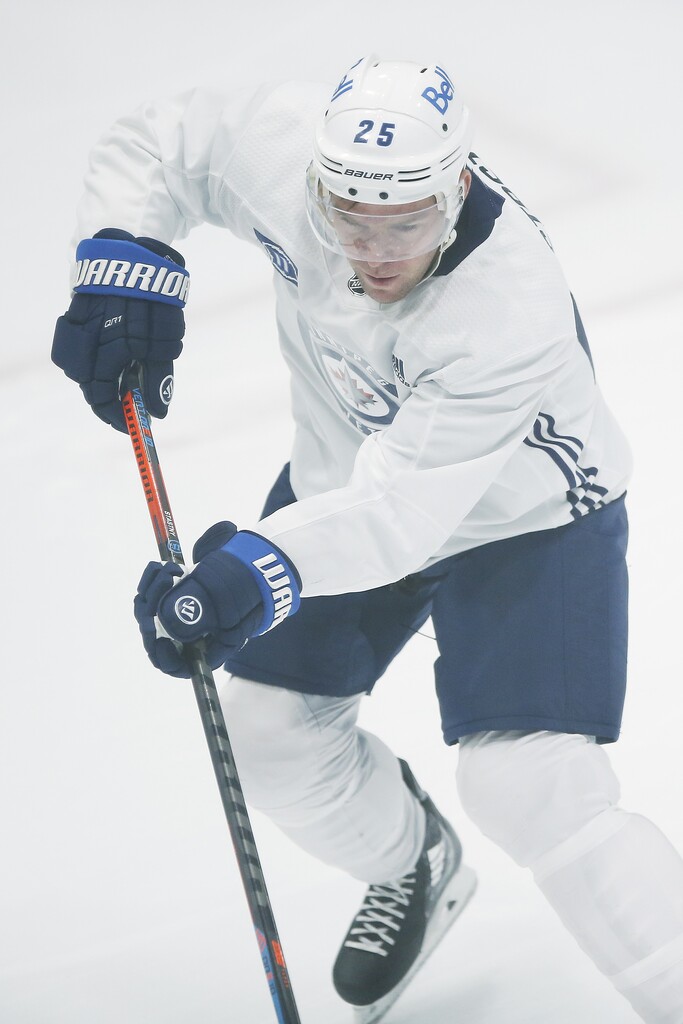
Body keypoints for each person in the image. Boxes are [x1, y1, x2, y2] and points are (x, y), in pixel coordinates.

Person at [52, 56, 683, 1022]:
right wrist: (125, 260)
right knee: (267, 731)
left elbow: (404, 517)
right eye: (351, 221)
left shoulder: (509, 309)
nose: (376, 251)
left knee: (526, 780)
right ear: (317, 184)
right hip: (345, 476)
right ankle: (412, 864)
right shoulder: (278, 144)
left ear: (457, 185)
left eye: (407, 225)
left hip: (526, 513)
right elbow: (163, 142)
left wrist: (246, 577)